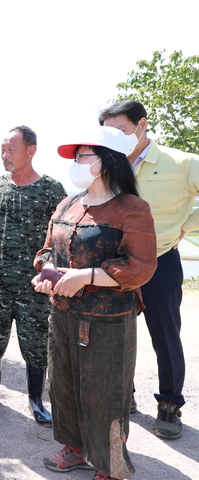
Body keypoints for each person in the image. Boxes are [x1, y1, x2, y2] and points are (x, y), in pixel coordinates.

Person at [33, 126, 157, 480]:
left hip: (107, 321)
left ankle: (110, 464)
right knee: (64, 384)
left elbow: (141, 266)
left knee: (104, 392)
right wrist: (46, 272)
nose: (77, 163)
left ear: (109, 161)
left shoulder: (131, 208)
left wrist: (84, 277)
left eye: (84, 156)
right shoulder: (68, 204)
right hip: (63, 313)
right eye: (76, 157)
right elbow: (45, 252)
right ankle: (75, 448)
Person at [99, 99, 199, 440]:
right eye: (109, 133)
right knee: (113, 334)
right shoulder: (107, 165)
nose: (116, 139)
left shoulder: (182, 163)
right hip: (113, 265)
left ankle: (169, 404)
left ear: (142, 124)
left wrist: (188, 224)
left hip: (160, 261)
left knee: (165, 335)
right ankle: (123, 396)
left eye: (122, 130)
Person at [0, 125, 66, 426]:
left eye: (11, 149)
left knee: (36, 342)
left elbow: (59, 238)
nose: (4, 155)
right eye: (2, 149)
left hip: (34, 284)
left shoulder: (52, 190)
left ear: (31, 150)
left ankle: (36, 400)